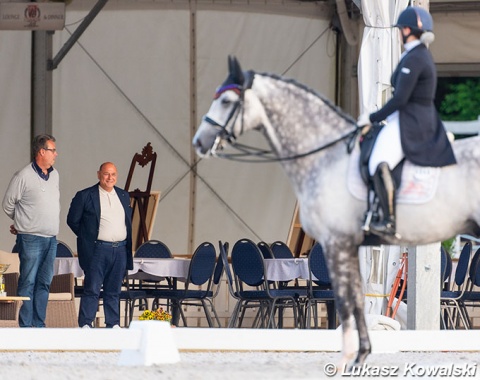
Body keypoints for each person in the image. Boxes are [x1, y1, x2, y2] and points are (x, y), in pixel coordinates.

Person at [357, 6, 456, 236]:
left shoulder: (417, 56)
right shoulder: (414, 54)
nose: (400, 33)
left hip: (412, 121)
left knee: (378, 161)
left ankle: (389, 222)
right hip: (407, 117)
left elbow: (401, 98)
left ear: (408, 30)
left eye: (402, 29)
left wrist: (371, 118)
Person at [2, 134, 60, 327]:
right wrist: (20, 221)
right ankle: (26, 327)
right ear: (41, 152)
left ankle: (39, 324)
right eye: (53, 150)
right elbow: (8, 204)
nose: (56, 154)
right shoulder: (23, 176)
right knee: (28, 282)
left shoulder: (55, 175)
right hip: (31, 239)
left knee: (44, 283)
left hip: (51, 239)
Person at [67, 162, 133, 328]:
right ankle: (86, 323)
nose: (110, 178)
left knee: (114, 290)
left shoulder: (123, 196)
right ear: (98, 174)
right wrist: (87, 237)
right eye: (106, 174)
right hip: (97, 250)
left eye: (113, 175)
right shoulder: (86, 195)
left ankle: (113, 323)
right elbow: (72, 220)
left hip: (120, 250)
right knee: (92, 288)